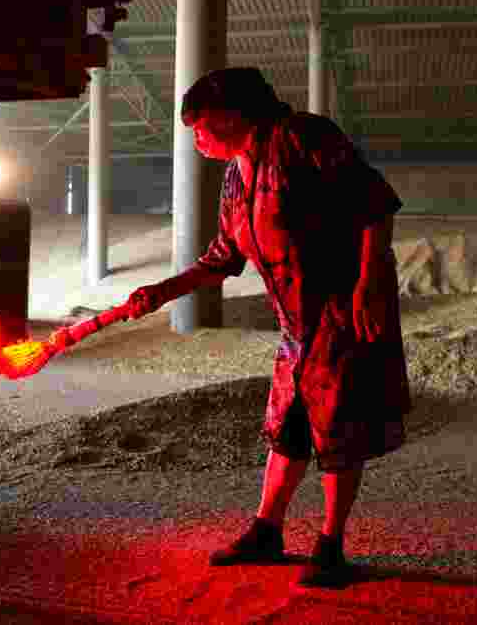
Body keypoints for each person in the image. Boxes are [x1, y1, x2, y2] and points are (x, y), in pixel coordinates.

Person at [120, 67, 411, 588]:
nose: (197, 138)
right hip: (295, 324)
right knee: (288, 425)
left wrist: (368, 283)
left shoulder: (303, 137)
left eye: (200, 126)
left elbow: (374, 205)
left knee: (338, 429)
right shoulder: (237, 175)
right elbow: (222, 258)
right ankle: (267, 531)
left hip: (342, 313)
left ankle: (330, 547)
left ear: (233, 115)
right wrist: (160, 293)